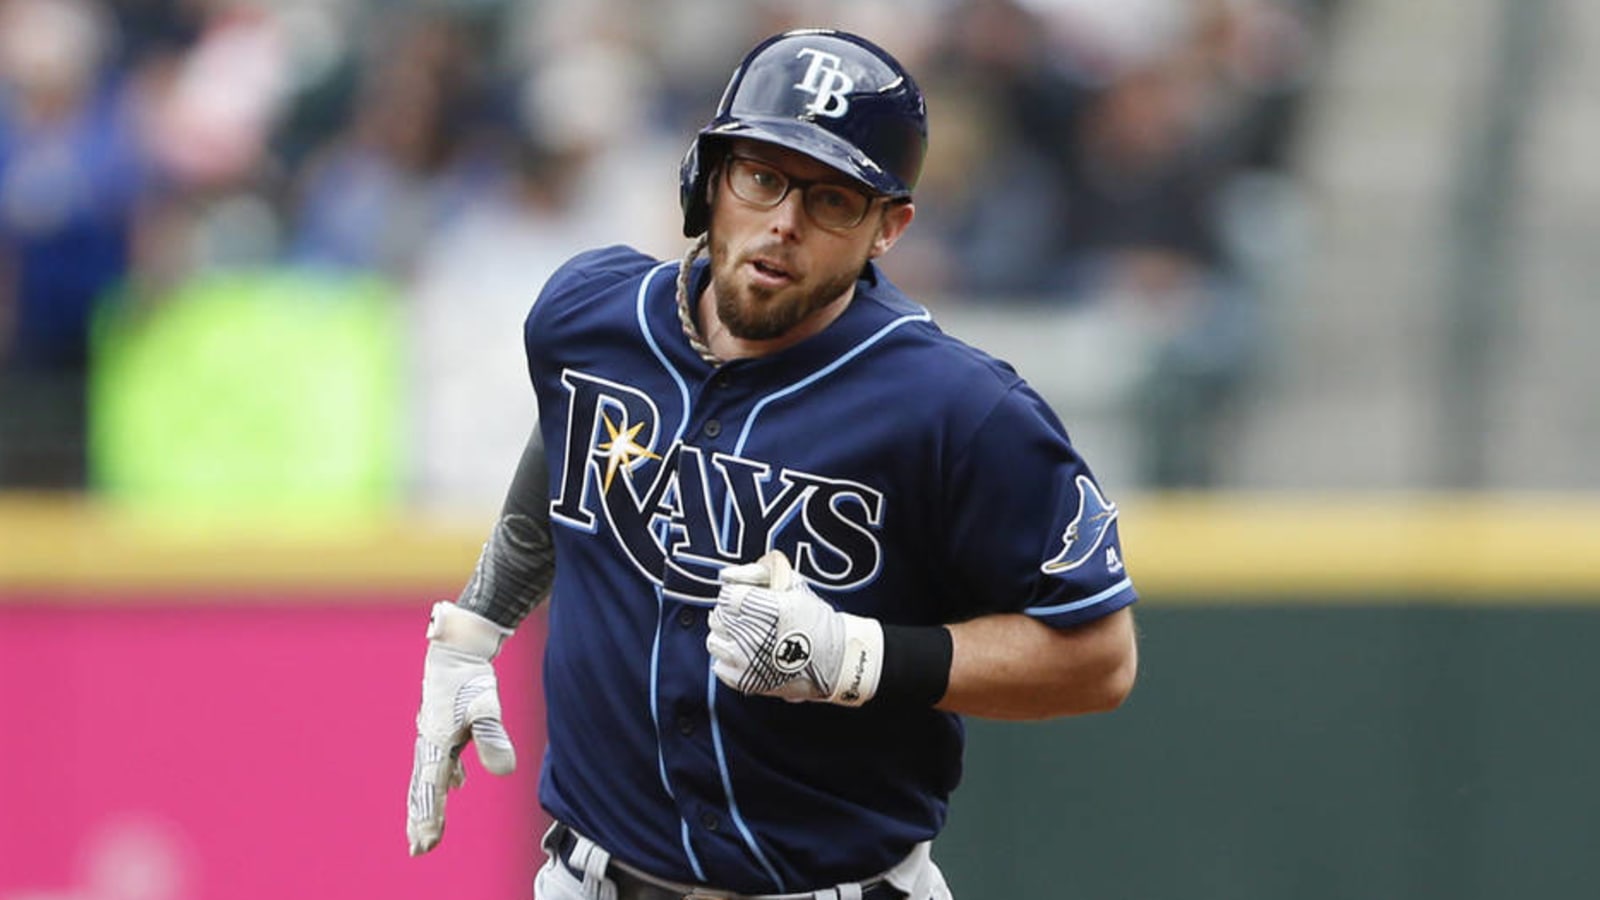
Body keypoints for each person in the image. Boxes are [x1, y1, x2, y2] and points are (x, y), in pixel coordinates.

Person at [406, 29, 1139, 900]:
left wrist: (856, 657)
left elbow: (1100, 659)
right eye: (762, 176)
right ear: (707, 178)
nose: (784, 222)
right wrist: (475, 630)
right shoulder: (588, 316)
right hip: (589, 878)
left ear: (888, 226)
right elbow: (568, 436)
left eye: (832, 199)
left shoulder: (959, 409)